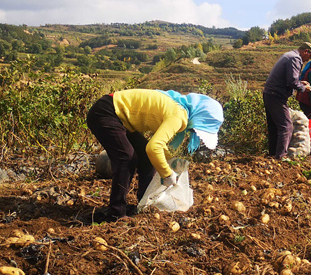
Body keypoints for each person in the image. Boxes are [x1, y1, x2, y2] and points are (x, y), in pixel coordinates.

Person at [86, 88, 224, 222]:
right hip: (106, 112)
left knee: (146, 159)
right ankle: (116, 213)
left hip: (120, 118)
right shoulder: (178, 115)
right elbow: (154, 148)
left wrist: (171, 162)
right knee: (126, 158)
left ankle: (144, 204)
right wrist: (167, 174)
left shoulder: (178, 110)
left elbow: (157, 145)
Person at [263, 43, 311, 159]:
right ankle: (280, 156)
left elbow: (289, 79)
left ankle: (272, 154)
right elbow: (291, 82)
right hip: (276, 95)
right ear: (306, 51)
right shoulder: (295, 58)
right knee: (286, 126)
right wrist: (303, 88)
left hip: (269, 93)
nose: (308, 60)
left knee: (274, 126)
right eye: (309, 57)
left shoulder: (290, 55)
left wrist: (300, 83)